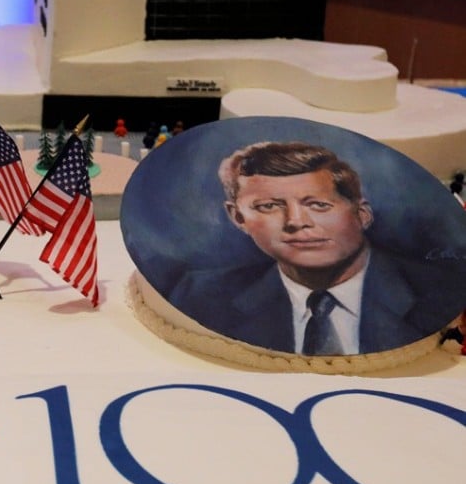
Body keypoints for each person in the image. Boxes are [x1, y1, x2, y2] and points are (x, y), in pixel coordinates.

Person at [169, 141, 462, 355]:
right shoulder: (202, 295)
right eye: (268, 206)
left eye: (318, 205)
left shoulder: (438, 292)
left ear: (362, 215)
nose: (296, 222)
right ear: (238, 217)